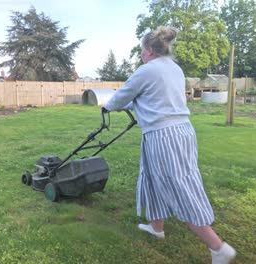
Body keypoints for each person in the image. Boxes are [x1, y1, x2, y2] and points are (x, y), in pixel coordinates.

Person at [102, 26, 237, 264]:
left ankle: (218, 248)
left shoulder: (146, 70)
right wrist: (133, 105)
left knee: (180, 187)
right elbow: (155, 100)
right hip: (182, 131)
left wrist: (107, 105)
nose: (141, 55)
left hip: (163, 136)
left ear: (148, 50)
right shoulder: (174, 69)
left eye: (142, 51)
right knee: (154, 179)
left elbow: (121, 98)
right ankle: (157, 227)